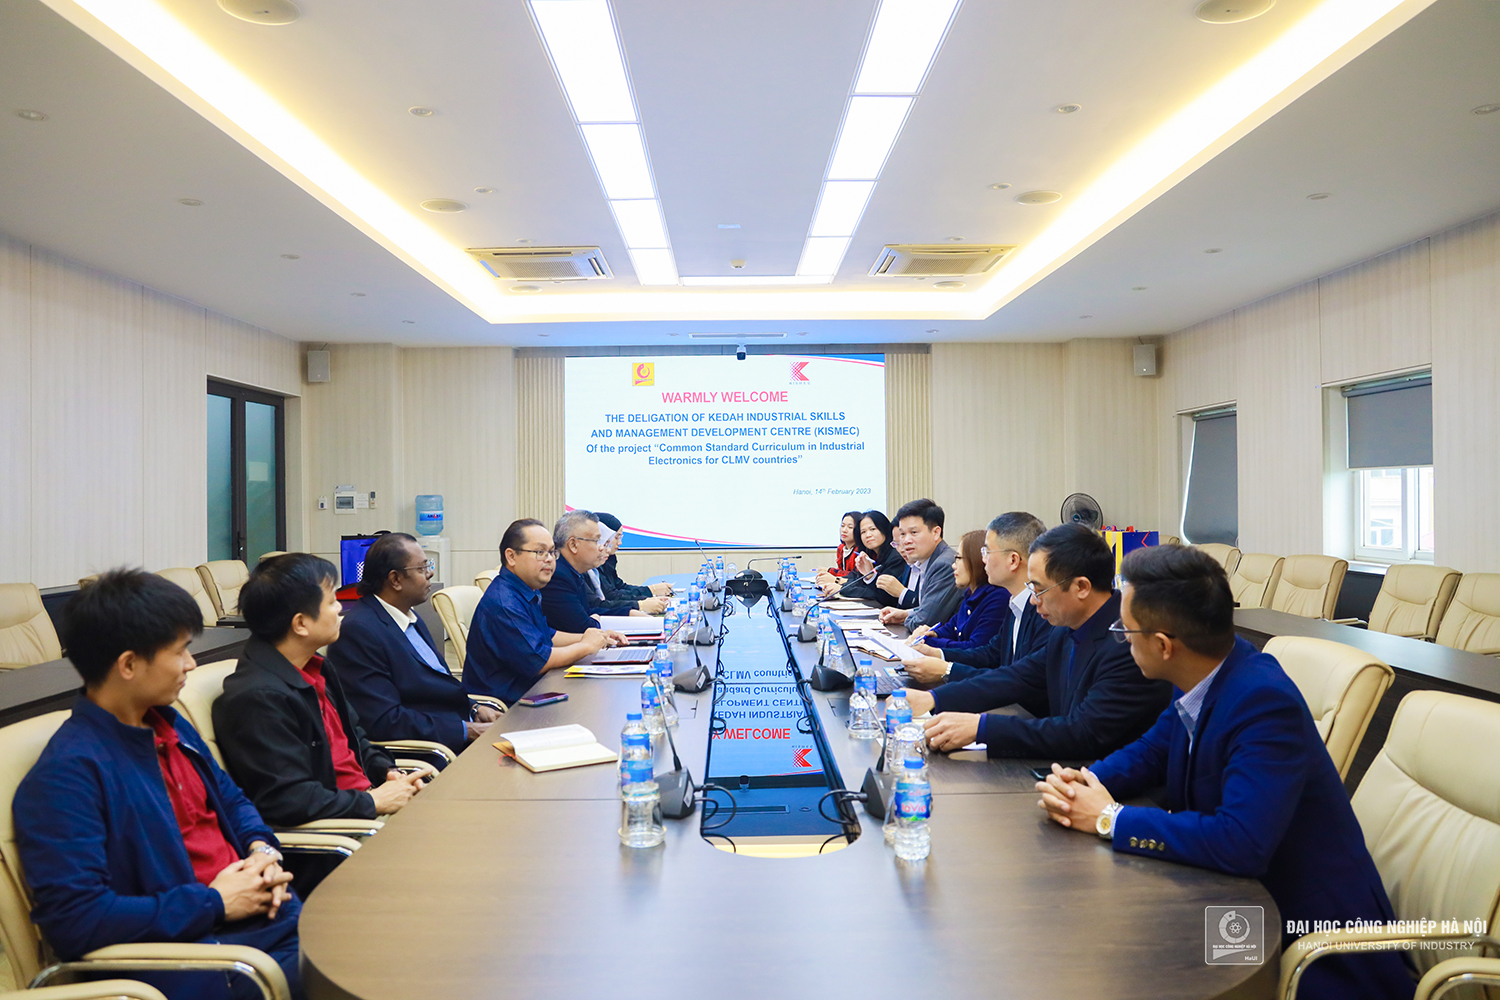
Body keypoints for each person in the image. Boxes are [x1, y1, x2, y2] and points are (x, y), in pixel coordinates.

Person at [1036, 544, 1412, 1000]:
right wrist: (1084, 784)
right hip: (1232, 902)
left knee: (1120, 971)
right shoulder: (1208, 670)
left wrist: (1109, 817)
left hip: (1305, 940)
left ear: (1163, 645)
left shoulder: (1262, 702)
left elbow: (1241, 842)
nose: (1123, 639)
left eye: (1126, 630)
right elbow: (1151, 751)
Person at [14, 569, 302, 1000]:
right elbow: (76, 919)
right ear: (129, 664)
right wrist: (215, 902)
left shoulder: (168, 724)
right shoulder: (67, 776)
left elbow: (232, 800)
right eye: (180, 651)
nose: (191, 664)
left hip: (263, 920)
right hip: (200, 958)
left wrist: (262, 851)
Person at [903, 524, 1172, 760]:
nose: (1033, 600)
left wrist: (981, 728)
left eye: (1040, 589)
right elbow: (1015, 678)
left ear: (1081, 587)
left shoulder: (1127, 642)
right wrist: (934, 698)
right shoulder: (1065, 629)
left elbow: (1083, 732)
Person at [215, 554, 425, 828]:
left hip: (363, 807)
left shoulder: (316, 667)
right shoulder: (258, 697)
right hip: (342, 830)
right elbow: (288, 799)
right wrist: (373, 801)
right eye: (332, 601)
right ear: (301, 624)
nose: (340, 609)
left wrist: (387, 771)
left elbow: (355, 739)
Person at [324, 532, 499, 753]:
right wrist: (468, 730)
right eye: (422, 568)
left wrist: (475, 709)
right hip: (429, 750)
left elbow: (437, 684)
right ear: (395, 580)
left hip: (455, 731)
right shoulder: (359, 632)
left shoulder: (408, 616)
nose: (430, 573)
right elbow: (385, 721)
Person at [463, 519, 629, 706]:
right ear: (511, 557)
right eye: (540, 552)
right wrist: (586, 646)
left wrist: (597, 636)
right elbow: (539, 660)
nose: (549, 559)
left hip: (536, 691)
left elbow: (546, 635)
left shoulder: (526, 590)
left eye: (551, 552)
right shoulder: (505, 603)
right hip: (511, 706)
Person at [902, 511, 1051, 686]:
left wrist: (946, 671)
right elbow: (991, 653)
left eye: (987, 551)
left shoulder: (1042, 612)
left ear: (1013, 560)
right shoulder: (1015, 602)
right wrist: (937, 654)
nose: (983, 559)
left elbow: (1021, 681)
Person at [906, 530, 1005, 652]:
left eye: (958, 558)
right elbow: (952, 626)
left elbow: (975, 648)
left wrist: (927, 641)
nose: (953, 565)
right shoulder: (971, 593)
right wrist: (932, 633)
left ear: (976, 560)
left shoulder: (998, 598)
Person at [875, 498, 962, 629]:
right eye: (902, 534)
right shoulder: (925, 561)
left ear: (936, 532)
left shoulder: (944, 564)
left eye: (914, 532)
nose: (906, 541)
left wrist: (906, 618)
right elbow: (926, 609)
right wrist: (905, 614)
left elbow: (924, 622)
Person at [583, 516, 667, 616]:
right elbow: (603, 601)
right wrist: (641, 603)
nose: (607, 549)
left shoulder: (606, 560)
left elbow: (618, 587)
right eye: (616, 538)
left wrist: (646, 597)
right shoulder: (580, 571)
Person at [595, 512, 672, 601]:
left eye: (620, 537)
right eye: (616, 537)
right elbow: (610, 596)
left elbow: (619, 587)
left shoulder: (610, 558)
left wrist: (650, 591)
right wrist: (650, 592)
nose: (620, 543)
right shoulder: (592, 563)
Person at [836, 510, 905, 602]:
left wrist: (841, 588)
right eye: (863, 532)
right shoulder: (869, 554)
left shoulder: (895, 557)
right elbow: (856, 580)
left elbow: (879, 594)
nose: (868, 535)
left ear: (884, 529)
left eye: (872, 529)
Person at [815, 511, 864, 590]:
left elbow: (855, 576)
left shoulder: (860, 551)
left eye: (850, 527)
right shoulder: (841, 548)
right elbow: (842, 571)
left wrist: (830, 571)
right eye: (842, 526)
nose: (844, 530)